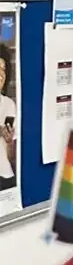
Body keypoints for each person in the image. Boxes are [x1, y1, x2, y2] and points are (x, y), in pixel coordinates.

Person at [0, 44, 16, 192]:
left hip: (5, 175)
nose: (1, 75)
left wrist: (9, 141)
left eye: (4, 70)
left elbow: (11, 157)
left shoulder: (8, 104)